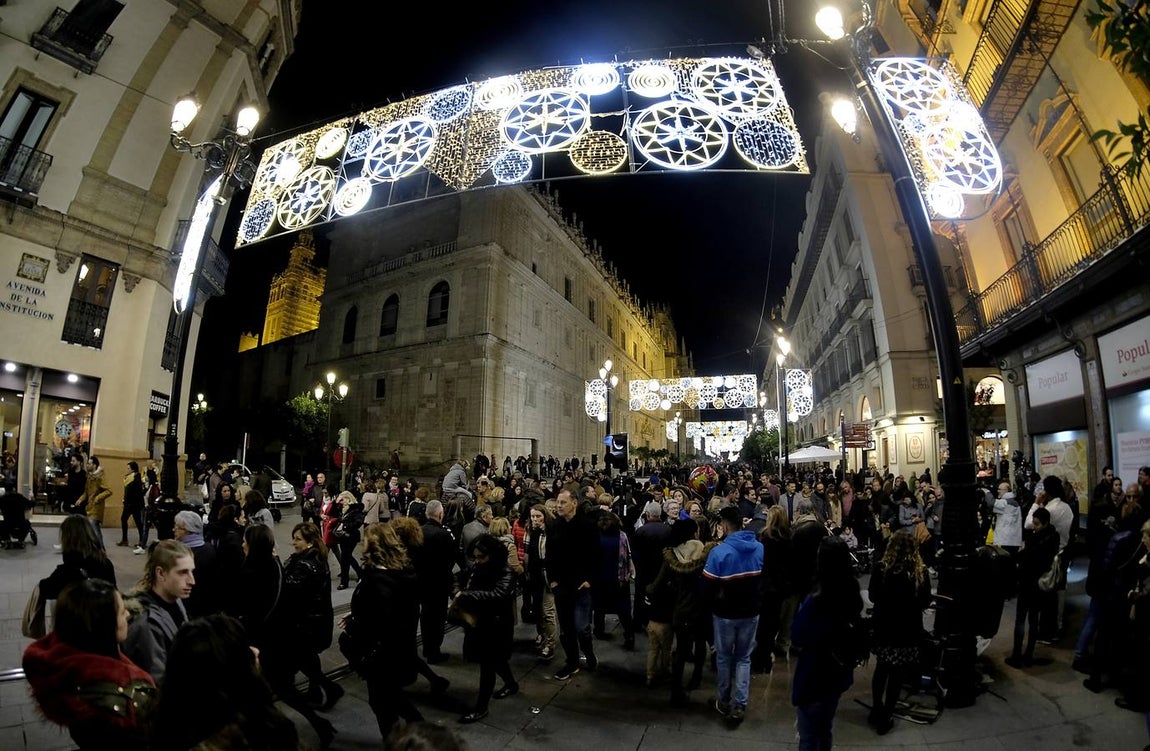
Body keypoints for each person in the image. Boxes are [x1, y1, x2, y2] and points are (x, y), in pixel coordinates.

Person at [23, 578, 156, 750]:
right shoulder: (120, 698)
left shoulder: (63, 668)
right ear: (105, 625)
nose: (128, 615)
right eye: (122, 612)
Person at [149, 614, 306, 750]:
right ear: (230, 675)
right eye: (243, 649)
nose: (255, 651)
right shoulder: (261, 733)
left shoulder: (168, 727)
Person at [344, 522, 424, 738]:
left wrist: (356, 622)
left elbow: (381, 623)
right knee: (392, 698)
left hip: (382, 657)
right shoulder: (403, 572)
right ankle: (419, 730)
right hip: (400, 651)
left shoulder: (378, 581)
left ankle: (402, 739)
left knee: (382, 704)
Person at [791, 536, 865, 751]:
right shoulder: (851, 589)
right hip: (838, 669)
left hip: (815, 671)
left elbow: (798, 634)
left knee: (808, 735)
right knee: (825, 727)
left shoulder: (818, 598)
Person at [702, 505, 763, 723]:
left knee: (724, 657)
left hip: (725, 614)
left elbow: (706, 588)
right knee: (744, 658)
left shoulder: (719, 552)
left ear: (725, 526)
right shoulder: (759, 548)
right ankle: (739, 704)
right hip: (751, 612)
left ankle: (723, 699)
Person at [867, 531, 933, 734]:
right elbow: (925, 600)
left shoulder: (881, 568)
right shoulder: (919, 572)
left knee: (881, 669)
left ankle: (876, 708)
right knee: (897, 674)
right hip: (907, 630)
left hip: (884, 627)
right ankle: (887, 714)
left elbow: (872, 596)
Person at [649, 518, 717, 705]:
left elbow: (656, 585)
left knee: (681, 649)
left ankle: (676, 689)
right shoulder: (705, 552)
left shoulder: (672, 556)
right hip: (702, 607)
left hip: (682, 609)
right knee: (700, 642)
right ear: (694, 533)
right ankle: (696, 677)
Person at [455, 534, 520, 723]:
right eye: (475, 557)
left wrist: (467, 595)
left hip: (497, 626)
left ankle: (481, 707)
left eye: (481, 557)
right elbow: (458, 577)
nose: (477, 561)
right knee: (497, 661)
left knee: (488, 666)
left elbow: (499, 595)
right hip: (481, 623)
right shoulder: (478, 567)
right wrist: (457, 591)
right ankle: (511, 684)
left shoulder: (505, 571)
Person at [282, 522, 341, 710]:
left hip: (307, 624)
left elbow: (288, 588)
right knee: (307, 657)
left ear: (310, 542)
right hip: (317, 621)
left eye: (298, 539)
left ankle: (329, 689)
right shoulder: (316, 558)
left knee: (301, 658)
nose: (294, 543)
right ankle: (317, 691)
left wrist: (276, 562)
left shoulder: (305, 564)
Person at [122, 539, 195, 683]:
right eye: (183, 573)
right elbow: (159, 681)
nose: (192, 581)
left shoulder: (175, 599)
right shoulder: (146, 623)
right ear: (161, 573)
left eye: (192, 571)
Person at [1007, 506, 1059, 668]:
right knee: (1034, 620)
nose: (1034, 526)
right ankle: (1028, 654)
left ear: (1045, 523)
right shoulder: (1053, 536)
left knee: (1021, 620)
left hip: (1028, 582)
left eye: (1037, 524)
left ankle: (1017, 655)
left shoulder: (1036, 539)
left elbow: (1027, 557)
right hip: (1039, 584)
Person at [416, 499, 457, 664]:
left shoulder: (419, 532)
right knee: (438, 617)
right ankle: (434, 651)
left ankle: (427, 647)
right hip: (439, 582)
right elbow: (451, 558)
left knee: (426, 615)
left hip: (421, 581)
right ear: (440, 514)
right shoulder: (444, 534)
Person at [593, 511, 637, 649]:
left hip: (600, 578)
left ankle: (599, 630)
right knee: (623, 610)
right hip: (619, 578)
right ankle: (629, 635)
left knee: (599, 608)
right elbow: (628, 555)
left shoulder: (596, 536)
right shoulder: (622, 536)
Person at [524, 502, 558, 660]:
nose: (535, 519)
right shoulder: (532, 532)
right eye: (532, 516)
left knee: (548, 611)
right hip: (536, 575)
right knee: (538, 609)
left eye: (538, 516)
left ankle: (550, 644)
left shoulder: (551, 532)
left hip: (549, 576)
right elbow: (529, 554)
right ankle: (542, 635)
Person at [173, 509, 222, 618]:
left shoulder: (184, 554)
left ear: (188, 531)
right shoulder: (209, 548)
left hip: (194, 608)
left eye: (177, 527)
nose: (174, 530)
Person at [75, 455, 113, 535]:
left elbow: (109, 491)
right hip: (90, 507)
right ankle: (97, 543)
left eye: (89, 464)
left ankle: (98, 543)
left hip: (96, 508)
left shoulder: (99, 477)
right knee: (94, 530)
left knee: (94, 528)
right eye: (87, 463)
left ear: (94, 465)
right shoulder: (89, 477)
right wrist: (80, 499)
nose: (87, 465)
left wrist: (97, 498)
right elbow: (86, 492)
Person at [118, 461, 145, 548]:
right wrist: (124, 498)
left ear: (133, 469)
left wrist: (128, 500)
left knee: (138, 522)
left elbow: (137, 492)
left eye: (128, 468)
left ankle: (141, 541)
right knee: (125, 519)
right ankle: (125, 540)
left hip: (134, 504)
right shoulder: (129, 477)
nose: (127, 470)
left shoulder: (136, 478)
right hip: (128, 503)